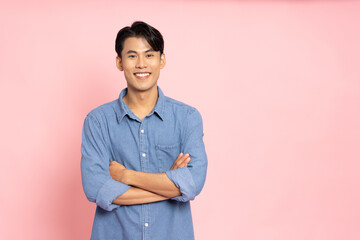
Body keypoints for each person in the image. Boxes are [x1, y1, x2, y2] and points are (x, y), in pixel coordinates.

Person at [81, 21, 208, 240]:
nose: (141, 64)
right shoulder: (98, 121)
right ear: (120, 62)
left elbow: (193, 183)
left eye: (149, 55)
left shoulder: (187, 118)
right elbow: (95, 189)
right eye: (132, 56)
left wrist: (125, 176)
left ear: (162, 60)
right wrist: (171, 185)